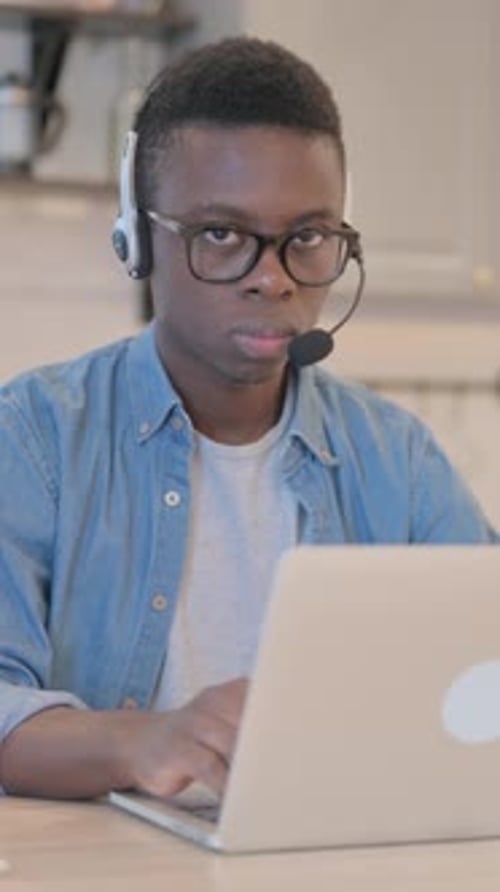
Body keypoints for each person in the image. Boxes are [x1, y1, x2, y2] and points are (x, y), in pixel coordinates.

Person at [0, 37, 496, 801]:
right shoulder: (32, 438)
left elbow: (481, 666)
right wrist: (142, 741)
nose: (272, 278)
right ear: (137, 240)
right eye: (222, 235)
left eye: (308, 238)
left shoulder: (397, 458)